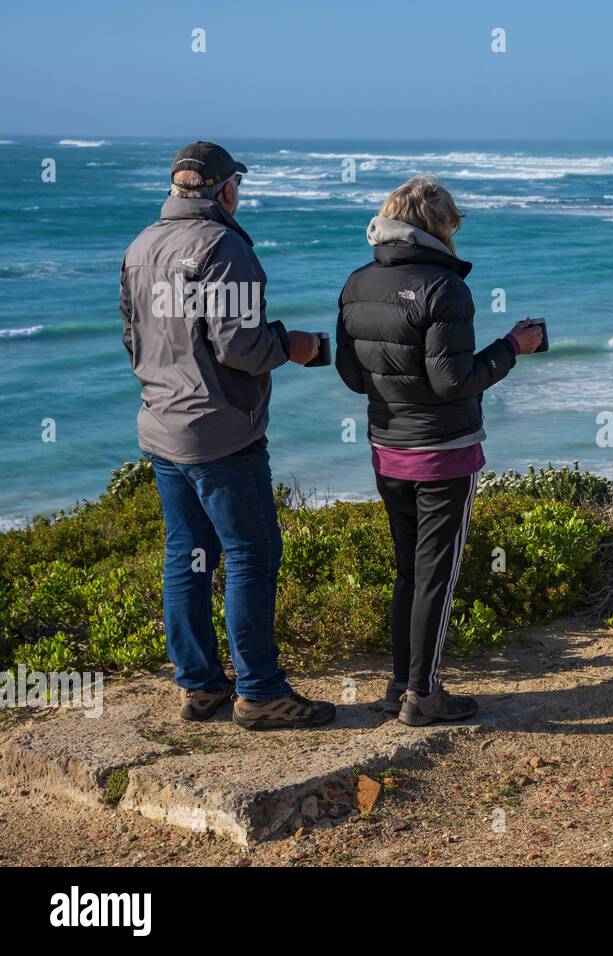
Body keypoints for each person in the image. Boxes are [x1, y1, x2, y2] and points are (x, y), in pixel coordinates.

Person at [120, 141, 336, 730]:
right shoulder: (222, 246)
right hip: (219, 433)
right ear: (223, 191)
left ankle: (200, 684)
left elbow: (133, 339)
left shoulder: (140, 246)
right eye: (236, 185)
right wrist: (294, 346)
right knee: (251, 553)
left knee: (186, 558)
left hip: (161, 424)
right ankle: (261, 691)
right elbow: (240, 346)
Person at [336, 175, 542, 726]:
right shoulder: (445, 289)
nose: (456, 232)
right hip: (443, 451)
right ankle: (423, 695)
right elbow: (453, 381)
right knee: (437, 574)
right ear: (437, 225)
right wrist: (511, 347)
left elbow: (352, 375)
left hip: (387, 447)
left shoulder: (357, 284)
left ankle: (400, 682)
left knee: (409, 570)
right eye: (453, 222)